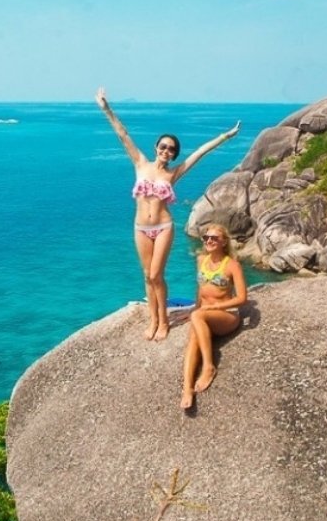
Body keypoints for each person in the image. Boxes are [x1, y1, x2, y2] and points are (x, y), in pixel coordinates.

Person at [96, 90, 240, 340]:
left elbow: (201, 152)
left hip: (163, 226)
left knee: (156, 275)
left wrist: (225, 136)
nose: (166, 151)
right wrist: (106, 108)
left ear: (174, 154)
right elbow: (123, 135)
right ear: (156, 147)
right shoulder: (140, 164)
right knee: (146, 277)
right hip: (140, 227)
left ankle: (163, 321)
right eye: (163, 146)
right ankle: (153, 320)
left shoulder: (173, 173)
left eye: (171, 149)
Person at [182, 222, 248, 411]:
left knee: (198, 317)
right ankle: (187, 389)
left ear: (223, 241)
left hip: (226, 315)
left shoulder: (232, 265)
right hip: (204, 314)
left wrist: (217, 306)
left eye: (214, 238)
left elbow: (242, 298)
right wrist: (195, 308)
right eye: (206, 237)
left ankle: (209, 366)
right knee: (193, 338)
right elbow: (200, 288)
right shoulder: (201, 259)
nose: (209, 241)